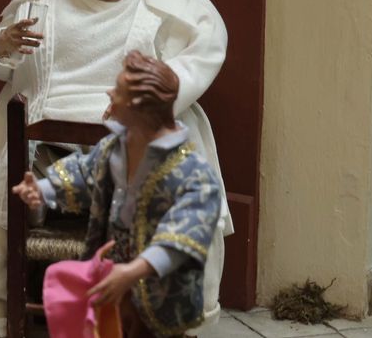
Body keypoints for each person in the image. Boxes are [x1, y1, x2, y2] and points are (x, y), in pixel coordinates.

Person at [0, 0, 229, 338]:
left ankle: (185, 320)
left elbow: (198, 63)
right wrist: (4, 44)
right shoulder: (40, 2)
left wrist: (145, 102)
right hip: (42, 150)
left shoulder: (179, 12)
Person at [12, 52, 223, 338]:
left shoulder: (193, 174)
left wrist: (133, 272)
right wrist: (42, 189)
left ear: (138, 106)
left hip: (159, 288)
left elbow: (183, 237)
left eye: (118, 91)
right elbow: (85, 174)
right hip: (114, 269)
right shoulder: (116, 148)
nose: (110, 93)